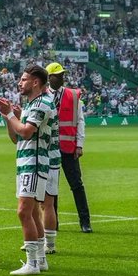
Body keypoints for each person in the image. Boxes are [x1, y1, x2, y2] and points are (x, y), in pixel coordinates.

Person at [0, 65, 53, 276]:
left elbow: (27, 132)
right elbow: (16, 138)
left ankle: (32, 264)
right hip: (27, 162)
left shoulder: (42, 103)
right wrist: (8, 117)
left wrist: (11, 114)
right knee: (34, 213)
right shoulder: (32, 104)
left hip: (34, 163)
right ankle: (40, 260)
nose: (20, 83)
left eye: (24, 79)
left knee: (24, 212)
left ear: (35, 82)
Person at [47, 62, 92, 237]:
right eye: (57, 75)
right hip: (50, 148)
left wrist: (79, 144)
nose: (61, 78)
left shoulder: (73, 96)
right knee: (52, 187)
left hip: (68, 148)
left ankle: (85, 221)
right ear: (49, 77)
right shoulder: (42, 95)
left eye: (62, 75)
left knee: (77, 185)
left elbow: (80, 121)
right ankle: (53, 221)